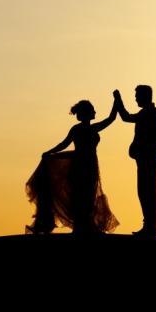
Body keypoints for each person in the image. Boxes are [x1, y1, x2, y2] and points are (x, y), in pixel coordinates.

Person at [25, 98, 119, 235]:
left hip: (85, 165)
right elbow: (111, 118)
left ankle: (83, 226)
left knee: (85, 196)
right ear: (87, 113)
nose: (95, 112)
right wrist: (116, 101)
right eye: (92, 110)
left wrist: (116, 102)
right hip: (84, 165)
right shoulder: (89, 128)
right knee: (84, 196)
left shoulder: (81, 129)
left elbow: (64, 144)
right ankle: (82, 227)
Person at [113, 86, 156, 237]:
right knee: (145, 191)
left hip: (148, 158)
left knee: (147, 191)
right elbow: (126, 117)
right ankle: (148, 225)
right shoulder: (146, 113)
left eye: (137, 95)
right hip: (145, 157)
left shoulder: (152, 113)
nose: (136, 98)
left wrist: (118, 101)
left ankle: (150, 226)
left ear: (145, 96)